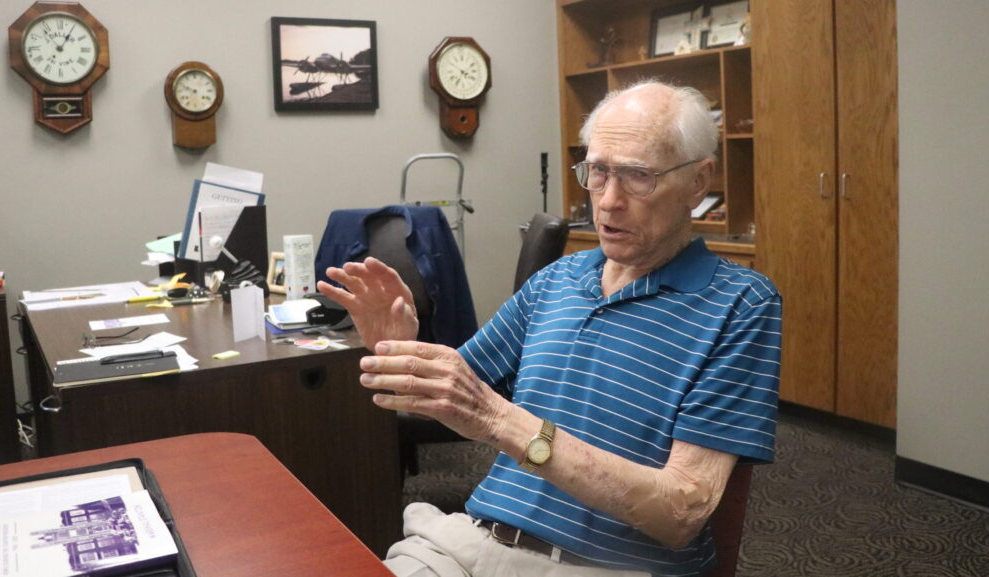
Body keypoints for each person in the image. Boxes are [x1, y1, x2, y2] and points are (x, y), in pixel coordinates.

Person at [318, 79, 782, 577]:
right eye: (598, 172)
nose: (607, 201)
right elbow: (453, 404)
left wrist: (501, 420)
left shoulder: (740, 304)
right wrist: (402, 351)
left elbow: (681, 513)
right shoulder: (557, 279)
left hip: (606, 567)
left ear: (698, 181)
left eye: (638, 177)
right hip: (473, 541)